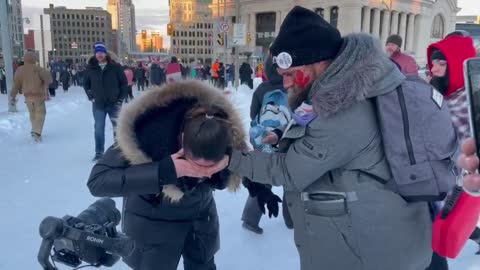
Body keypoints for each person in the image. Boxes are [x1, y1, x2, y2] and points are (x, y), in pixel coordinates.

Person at [227, 6, 432, 270]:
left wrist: (228, 158)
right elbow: (315, 133)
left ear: (319, 62)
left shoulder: (341, 109)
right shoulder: (344, 88)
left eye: (291, 74)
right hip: (384, 236)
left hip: (367, 252)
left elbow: (290, 172)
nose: (287, 84)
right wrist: (281, 134)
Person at [87, 80, 247, 270]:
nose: (201, 174)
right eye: (195, 166)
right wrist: (164, 171)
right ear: (180, 143)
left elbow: (242, 157)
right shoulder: (148, 130)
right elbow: (98, 181)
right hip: (152, 224)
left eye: (209, 169)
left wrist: (256, 186)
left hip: (199, 218)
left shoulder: (223, 130)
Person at [426, 33, 479, 267]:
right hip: (433, 183)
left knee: (438, 241)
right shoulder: (440, 95)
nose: (434, 68)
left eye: (442, 63)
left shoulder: (467, 102)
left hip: (452, 185)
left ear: (458, 64)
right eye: (433, 62)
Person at [241, 55, 292, 234]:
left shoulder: (262, 89)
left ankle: (250, 218)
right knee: (290, 179)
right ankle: (291, 219)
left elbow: (253, 113)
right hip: (287, 140)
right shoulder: (292, 87)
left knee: (263, 177)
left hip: (264, 140)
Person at [83, 42, 128, 161]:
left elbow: (124, 84)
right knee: (98, 129)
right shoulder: (90, 68)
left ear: (105, 54)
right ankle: (99, 153)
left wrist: (120, 100)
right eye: (97, 52)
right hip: (98, 104)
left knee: (117, 128)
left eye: (101, 52)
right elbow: (86, 84)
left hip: (114, 104)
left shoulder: (115, 67)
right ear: (95, 54)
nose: (99, 54)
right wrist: (90, 95)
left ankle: (119, 152)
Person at [9, 52, 52, 142]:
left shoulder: (19, 70)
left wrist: (12, 96)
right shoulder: (38, 69)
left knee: (32, 113)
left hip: (27, 97)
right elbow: (49, 79)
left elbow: (16, 85)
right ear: (34, 59)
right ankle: (36, 132)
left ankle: (34, 130)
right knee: (41, 113)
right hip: (38, 95)